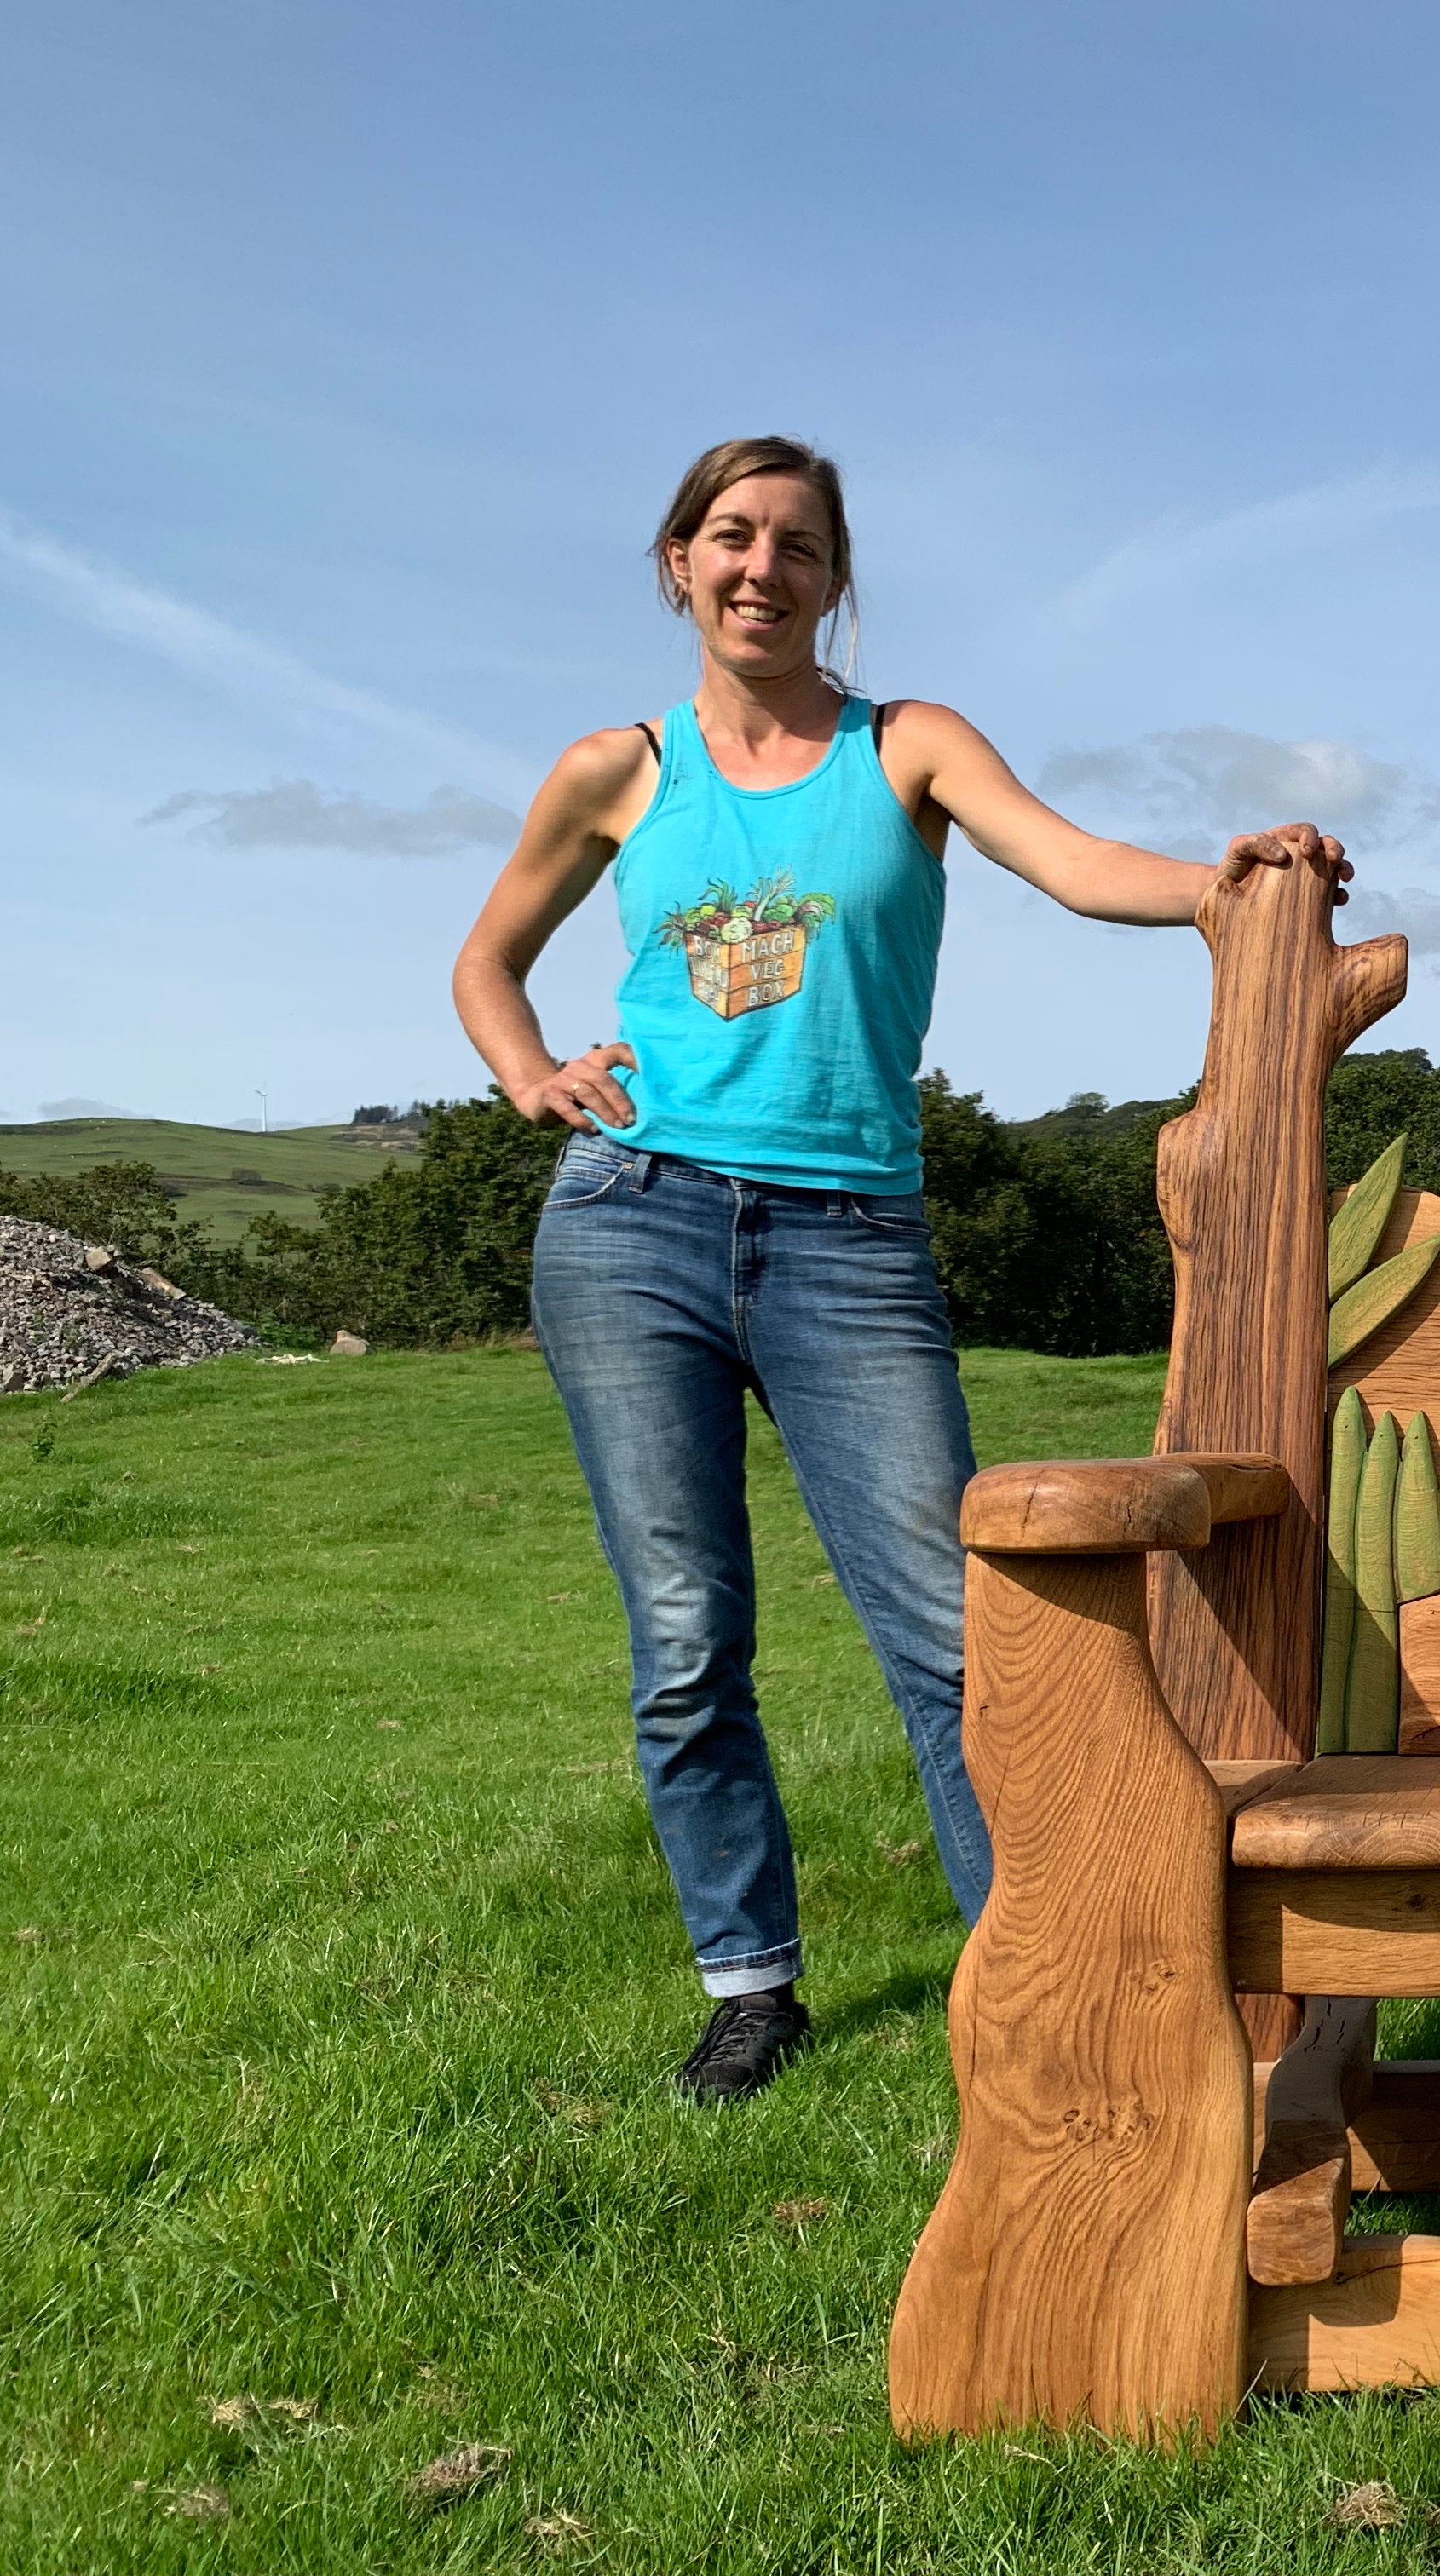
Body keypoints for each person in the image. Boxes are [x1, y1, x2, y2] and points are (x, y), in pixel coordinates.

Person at [452, 434, 1345, 2102]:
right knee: (686, 1636)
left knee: (957, 1638)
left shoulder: (907, 748)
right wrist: (530, 1076)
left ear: (832, 580)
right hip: (629, 1222)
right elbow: (487, 958)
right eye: (731, 536)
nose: (761, 569)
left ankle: (1043, 1979)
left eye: (798, 545)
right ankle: (751, 1984)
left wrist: (1230, 887)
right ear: (677, 563)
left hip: (848, 1241)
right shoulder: (615, 773)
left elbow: (1075, 865)